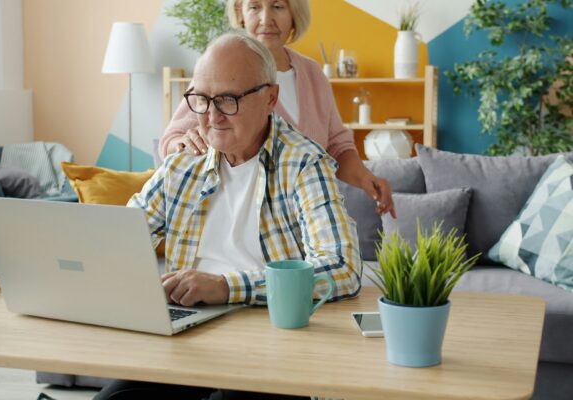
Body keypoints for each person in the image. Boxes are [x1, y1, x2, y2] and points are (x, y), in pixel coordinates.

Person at [95, 31, 360, 400]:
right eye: (202, 100)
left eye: (228, 100)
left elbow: (342, 268)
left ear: (270, 97)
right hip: (187, 338)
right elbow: (117, 237)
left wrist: (225, 287)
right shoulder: (183, 165)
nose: (212, 116)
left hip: (271, 344)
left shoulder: (304, 163)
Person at [159, 0, 396, 219]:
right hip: (244, 224)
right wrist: (184, 145)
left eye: (278, 6)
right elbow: (172, 140)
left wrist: (366, 178)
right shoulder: (220, 70)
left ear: (294, 14)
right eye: (254, 7)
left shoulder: (313, 74)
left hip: (310, 221)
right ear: (241, 14)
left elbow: (337, 146)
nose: (266, 18)